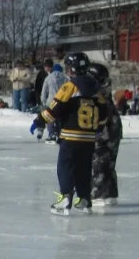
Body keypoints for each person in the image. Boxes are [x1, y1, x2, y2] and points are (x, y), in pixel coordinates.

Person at [38, 52, 109, 215]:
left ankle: (65, 198)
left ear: (70, 70)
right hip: (89, 138)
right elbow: (104, 113)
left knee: (65, 167)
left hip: (70, 136)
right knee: (83, 168)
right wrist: (97, 127)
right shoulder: (96, 90)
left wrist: (39, 121)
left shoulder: (69, 87)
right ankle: (84, 199)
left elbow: (54, 110)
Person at [87, 63, 121, 207]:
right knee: (108, 163)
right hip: (113, 128)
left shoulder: (96, 92)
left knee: (99, 162)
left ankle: (100, 195)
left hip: (105, 130)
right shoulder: (103, 89)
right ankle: (110, 194)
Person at [36, 64, 67, 142]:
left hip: (51, 101)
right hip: (61, 101)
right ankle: (60, 135)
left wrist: (43, 101)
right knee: (59, 119)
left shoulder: (48, 78)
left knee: (50, 118)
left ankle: (51, 135)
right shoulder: (65, 78)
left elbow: (44, 90)